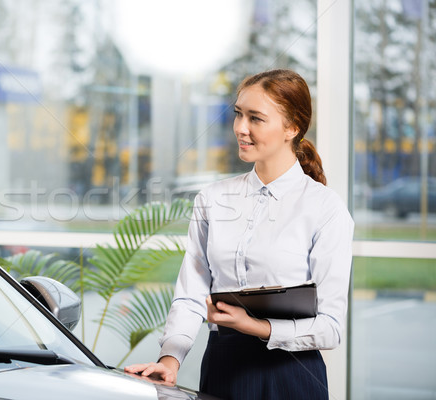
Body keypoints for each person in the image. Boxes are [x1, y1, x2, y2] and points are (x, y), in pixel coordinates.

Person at [124, 69, 354, 399]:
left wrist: (256, 326)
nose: (240, 129)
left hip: (291, 377)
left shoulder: (324, 208)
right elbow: (191, 295)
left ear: (291, 128)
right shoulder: (213, 199)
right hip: (221, 370)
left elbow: (330, 327)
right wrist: (170, 358)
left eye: (256, 118)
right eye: (238, 114)